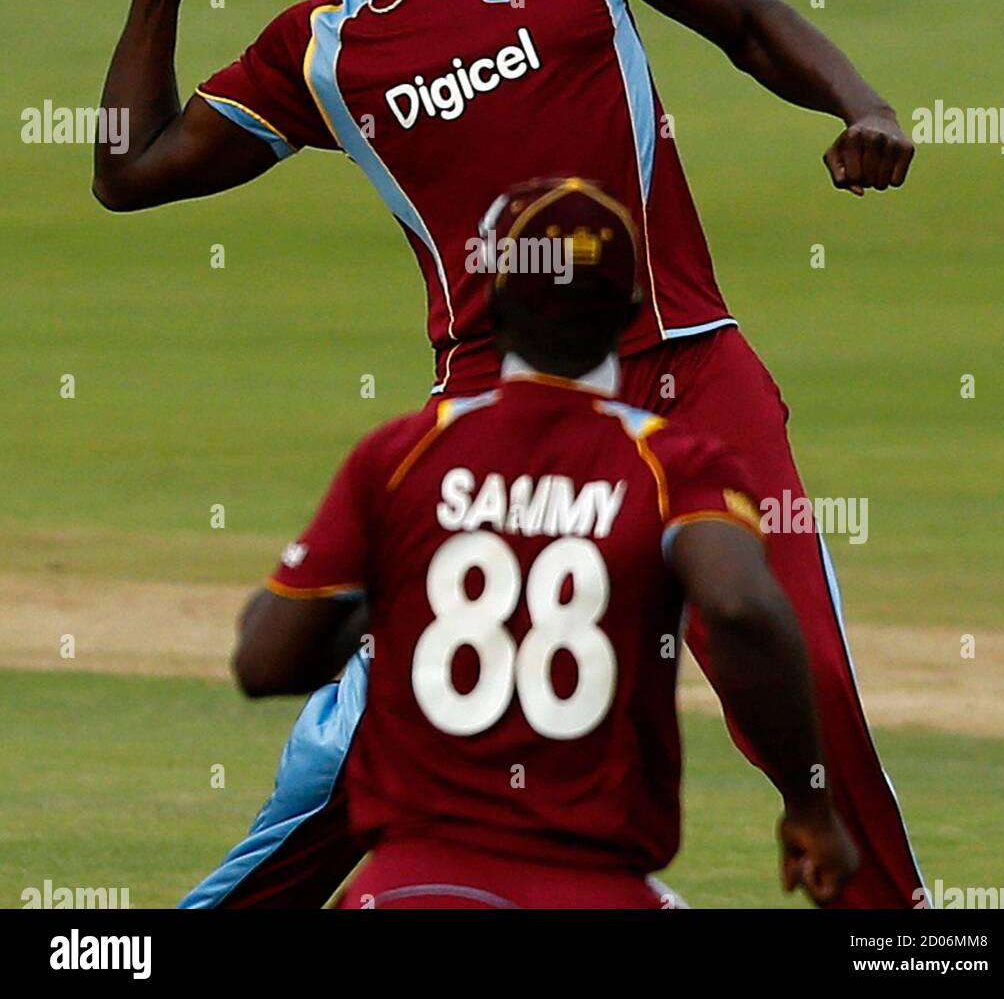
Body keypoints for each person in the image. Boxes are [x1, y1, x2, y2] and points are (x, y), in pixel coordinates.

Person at [98, 0, 921, 907]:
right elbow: (129, 168)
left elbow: (747, 21)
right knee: (381, 732)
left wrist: (863, 104)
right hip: (500, 409)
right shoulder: (323, 50)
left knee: (809, 676)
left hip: (690, 362)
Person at [232, 178, 858, 909]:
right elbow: (742, 608)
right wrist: (809, 802)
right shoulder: (675, 467)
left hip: (410, 885)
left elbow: (265, 661)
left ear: (492, 306)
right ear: (632, 309)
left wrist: (393, 604)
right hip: (591, 886)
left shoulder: (401, 458)